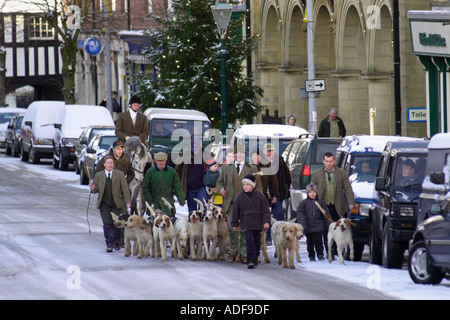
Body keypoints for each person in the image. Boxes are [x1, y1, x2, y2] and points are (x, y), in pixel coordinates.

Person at [216, 147, 259, 263]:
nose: (238, 155)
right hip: (230, 203)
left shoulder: (252, 168)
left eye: (240, 153)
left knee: (245, 228)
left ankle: (244, 254)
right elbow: (219, 182)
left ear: (244, 154)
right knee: (232, 227)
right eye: (236, 153)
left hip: (247, 204)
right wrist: (220, 190)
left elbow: (257, 186)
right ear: (233, 155)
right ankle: (233, 252)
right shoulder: (226, 167)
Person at [89, 155, 132, 252]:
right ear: (104, 164)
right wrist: (92, 188)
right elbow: (95, 189)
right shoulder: (98, 175)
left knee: (118, 223)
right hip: (104, 203)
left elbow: (125, 189)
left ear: (114, 164)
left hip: (117, 202)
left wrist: (128, 201)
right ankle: (109, 243)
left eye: (111, 163)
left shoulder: (120, 174)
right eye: (108, 163)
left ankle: (117, 241)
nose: (110, 165)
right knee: (107, 223)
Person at [231, 174, 271, 269]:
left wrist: (266, 221)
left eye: (247, 184)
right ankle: (250, 260)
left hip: (257, 223)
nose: (245, 186)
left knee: (257, 242)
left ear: (253, 186)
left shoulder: (260, 197)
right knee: (250, 241)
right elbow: (235, 211)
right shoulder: (239, 197)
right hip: (246, 223)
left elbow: (266, 210)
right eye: (244, 184)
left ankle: (255, 256)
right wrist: (234, 223)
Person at [311, 152, 356, 222]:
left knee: (337, 228)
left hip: (337, 206)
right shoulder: (316, 174)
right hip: (322, 206)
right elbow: (312, 189)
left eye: (331, 161)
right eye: (327, 161)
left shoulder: (342, 173)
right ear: (323, 161)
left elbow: (348, 188)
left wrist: (351, 203)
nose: (329, 164)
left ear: (334, 161)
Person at [142, 152, 185, 221]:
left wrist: (181, 199)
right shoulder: (150, 172)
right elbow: (145, 187)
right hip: (154, 203)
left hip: (168, 204)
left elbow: (177, 187)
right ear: (155, 161)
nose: (161, 163)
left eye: (163, 161)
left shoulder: (172, 172)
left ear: (165, 161)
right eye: (159, 161)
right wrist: (150, 200)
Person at [296, 183, 331, 261]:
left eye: (314, 192)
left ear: (316, 193)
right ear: (307, 193)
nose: (312, 194)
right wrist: (303, 225)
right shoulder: (303, 203)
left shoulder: (321, 203)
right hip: (308, 227)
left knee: (319, 241)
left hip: (318, 226)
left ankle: (320, 254)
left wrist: (328, 225)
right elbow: (301, 215)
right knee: (310, 243)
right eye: (310, 192)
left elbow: (325, 214)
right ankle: (311, 255)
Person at [176, 137, 208, 213]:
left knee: (203, 207)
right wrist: (181, 182)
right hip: (190, 188)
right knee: (192, 211)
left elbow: (212, 167)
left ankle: (203, 224)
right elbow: (177, 170)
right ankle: (192, 224)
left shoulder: (206, 155)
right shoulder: (184, 155)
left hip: (202, 187)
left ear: (200, 145)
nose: (195, 151)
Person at [262, 143, 291, 222]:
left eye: (271, 150)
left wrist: (285, 188)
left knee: (278, 213)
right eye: (268, 151)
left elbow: (288, 177)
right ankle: (267, 233)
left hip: (278, 192)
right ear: (264, 152)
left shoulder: (280, 162)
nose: (270, 153)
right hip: (264, 193)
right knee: (265, 215)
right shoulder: (261, 163)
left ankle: (279, 231)